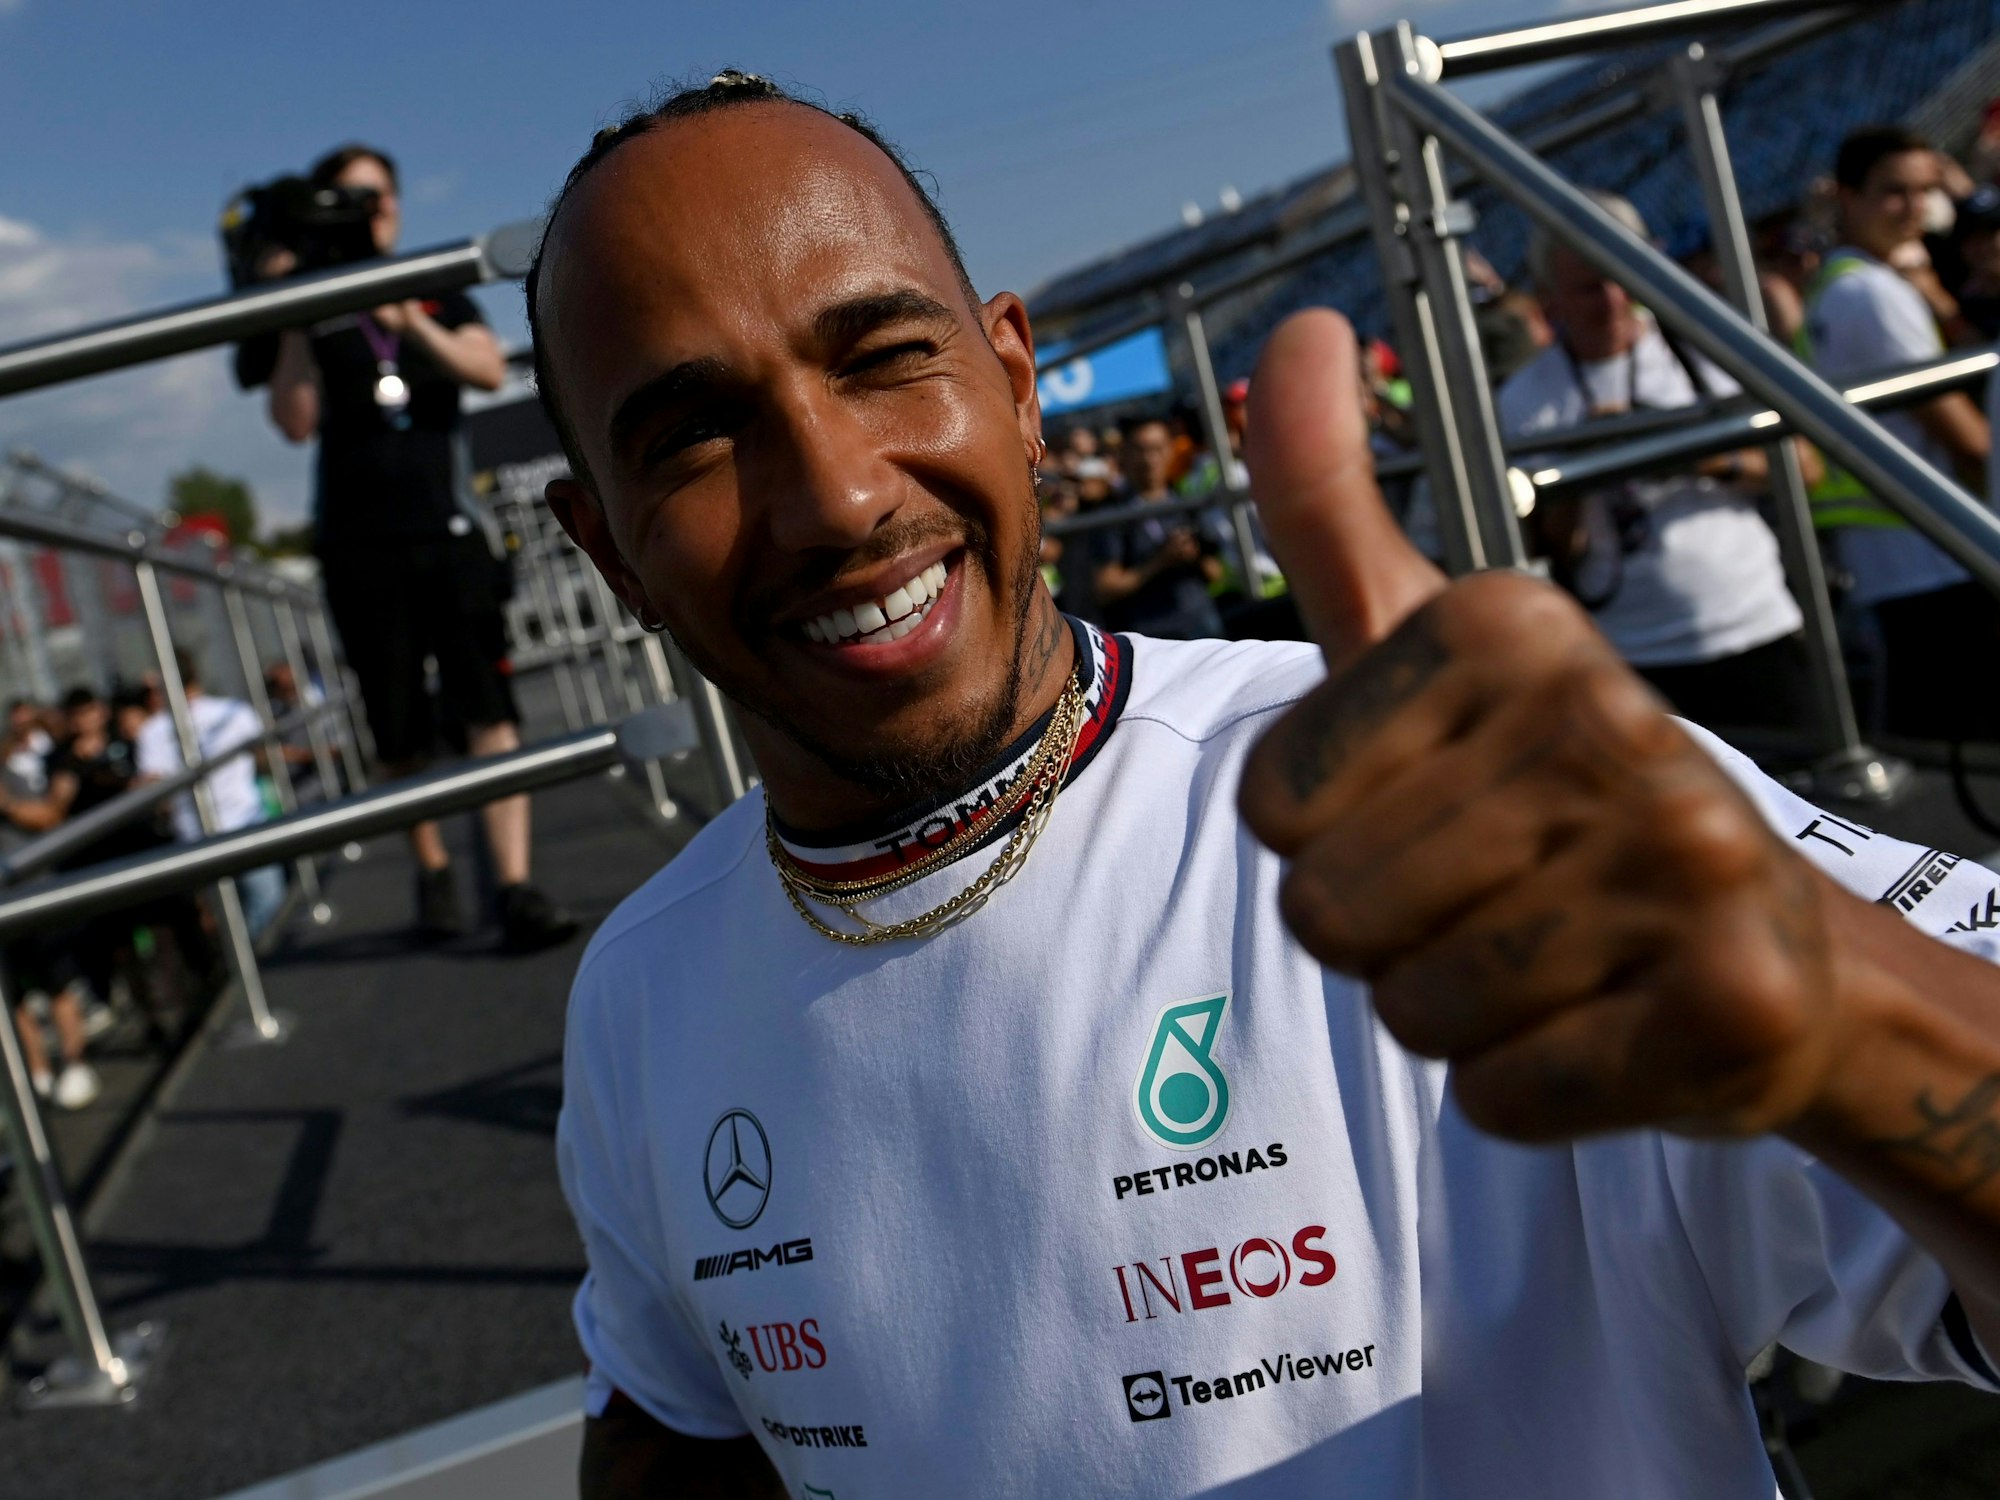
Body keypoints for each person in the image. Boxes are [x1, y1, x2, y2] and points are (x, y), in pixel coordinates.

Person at [532, 75, 2000, 1499]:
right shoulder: (639, 991)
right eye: (697, 434)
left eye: (881, 357)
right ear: (605, 552)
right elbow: (673, 1421)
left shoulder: (1440, 795)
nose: (838, 494)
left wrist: (1841, 1016)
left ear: (1019, 383)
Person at [263, 142, 576, 952]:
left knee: (488, 708)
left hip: (449, 525)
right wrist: (294, 308)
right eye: (346, 199)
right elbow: (293, 420)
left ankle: (512, 884)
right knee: (395, 728)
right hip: (358, 541)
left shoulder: (430, 283)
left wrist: (409, 323)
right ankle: (432, 866)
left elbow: (483, 370)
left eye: (376, 197)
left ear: (397, 206)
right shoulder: (312, 299)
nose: (366, 213)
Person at [1503, 194, 1816, 732]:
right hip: (1634, 653)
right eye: (1587, 287)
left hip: (1756, 623)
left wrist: (1695, 457)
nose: (1611, 299)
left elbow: (1803, 467)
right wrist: (1579, 471)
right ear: (1550, 300)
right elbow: (1542, 550)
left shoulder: (1705, 348)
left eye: (1618, 276)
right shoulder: (1522, 401)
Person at [1800, 124, 2000, 742]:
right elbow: (1965, 437)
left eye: (1921, 190)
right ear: (1847, 198)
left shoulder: (1842, 286)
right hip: (1934, 555)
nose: (1914, 208)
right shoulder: (1872, 295)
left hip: (1900, 553)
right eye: (1893, 192)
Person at [134, 652, 286, 939]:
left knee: (232, 922)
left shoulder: (153, 730)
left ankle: (255, 970)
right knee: (267, 911)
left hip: (201, 837)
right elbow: (265, 761)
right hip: (240, 824)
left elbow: (152, 790)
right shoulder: (235, 711)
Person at [1088, 416, 1224, 637]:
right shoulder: (1112, 515)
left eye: (1157, 448)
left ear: (1171, 450)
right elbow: (1105, 588)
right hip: (1151, 635)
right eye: (1139, 449)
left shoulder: (1186, 501)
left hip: (1202, 625)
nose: (1149, 459)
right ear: (1124, 454)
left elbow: (1216, 573)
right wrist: (1160, 561)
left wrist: (1196, 556)